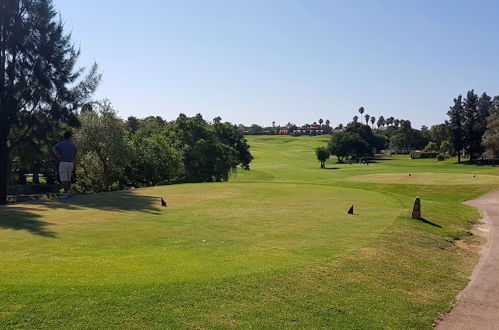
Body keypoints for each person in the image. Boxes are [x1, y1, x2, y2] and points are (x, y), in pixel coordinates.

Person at [51, 131, 77, 199]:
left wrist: (58, 155)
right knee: (68, 179)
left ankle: (66, 194)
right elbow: (74, 157)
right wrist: (74, 165)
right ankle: (68, 193)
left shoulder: (61, 144)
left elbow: (53, 149)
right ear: (70, 136)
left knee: (64, 179)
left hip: (63, 162)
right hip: (70, 163)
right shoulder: (73, 145)